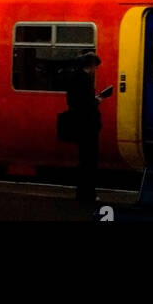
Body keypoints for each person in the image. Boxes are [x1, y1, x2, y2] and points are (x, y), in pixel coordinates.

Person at [64, 51, 104, 204]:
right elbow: (85, 104)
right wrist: (97, 100)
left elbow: (74, 101)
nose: (96, 69)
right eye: (96, 66)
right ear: (91, 65)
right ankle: (88, 195)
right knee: (89, 162)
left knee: (84, 161)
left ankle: (83, 194)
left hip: (81, 125)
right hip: (87, 125)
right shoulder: (84, 80)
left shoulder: (75, 77)